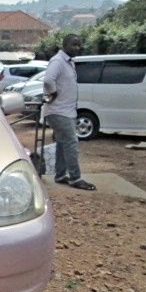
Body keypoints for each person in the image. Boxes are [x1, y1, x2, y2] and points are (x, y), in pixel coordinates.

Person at [43, 34, 96, 191]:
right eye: (74, 44)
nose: (77, 48)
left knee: (62, 142)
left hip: (66, 110)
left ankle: (60, 175)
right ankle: (75, 178)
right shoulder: (58, 61)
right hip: (59, 111)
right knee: (71, 142)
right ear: (65, 45)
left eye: (79, 45)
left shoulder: (68, 63)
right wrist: (53, 93)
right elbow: (48, 80)